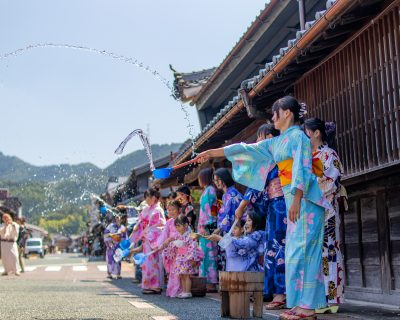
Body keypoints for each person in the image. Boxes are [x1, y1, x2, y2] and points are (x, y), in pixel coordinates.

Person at [195, 96, 332, 320]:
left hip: (305, 199)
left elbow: (303, 169)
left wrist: (296, 198)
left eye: (275, 112)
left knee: (305, 251)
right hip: (292, 199)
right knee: (293, 252)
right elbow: (247, 149)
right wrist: (213, 153)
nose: (272, 117)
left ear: (287, 113)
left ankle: (308, 307)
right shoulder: (278, 141)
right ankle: (299, 304)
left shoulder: (299, 137)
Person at [235, 124, 288, 307]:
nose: (258, 142)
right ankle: (277, 293)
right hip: (276, 206)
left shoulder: (275, 158)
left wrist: (242, 206)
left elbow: (256, 184)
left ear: (271, 138)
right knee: (274, 247)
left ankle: (280, 294)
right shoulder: (271, 159)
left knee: (279, 247)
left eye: (261, 137)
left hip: (283, 205)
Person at [304, 118, 345, 313]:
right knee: (314, 254)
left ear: (316, 133)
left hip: (326, 210)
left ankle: (333, 299)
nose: (306, 136)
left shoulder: (330, 155)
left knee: (329, 251)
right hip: (310, 212)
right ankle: (319, 297)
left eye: (307, 132)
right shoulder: (308, 156)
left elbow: (330, 182)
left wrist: (310, 189)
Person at [131, 186, 166, 294]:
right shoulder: (147, 209)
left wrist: (148, 232)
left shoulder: (158, 210)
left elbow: (160, 226)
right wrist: (137, 226)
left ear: (154, 197)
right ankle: (147, 285)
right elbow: (141, 220)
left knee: (154, 263)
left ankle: (155, 286)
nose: (146, 200)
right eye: (146, 198)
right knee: (147, 263)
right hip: (147, 239)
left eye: (148, 197)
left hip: (154, 240)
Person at [197, 168, 219, 291]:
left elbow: (208, 210)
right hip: (206, 226)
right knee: (206, 254)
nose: (199, 181)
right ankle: (208, 281)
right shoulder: (209, 190)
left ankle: (211, 282)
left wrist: (205, 225)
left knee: (208, 254)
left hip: (207, 227)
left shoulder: (209, 190)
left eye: (200, 178)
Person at [172, 215, 204, 299]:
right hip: (180, 257)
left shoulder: (191, 235)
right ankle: (183, 291)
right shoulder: (178, 235)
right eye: (176, 226)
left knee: (186, 276)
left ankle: (188, 291)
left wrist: (191, 258)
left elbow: (193, 247)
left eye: (179, 226)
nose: (177, 228)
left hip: (187, 258)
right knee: (182, 275)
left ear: (186, 225)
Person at [157, 200, 182, 297]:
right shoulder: (169, 222)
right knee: (172, 271)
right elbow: (164, 235)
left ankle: (179, 290)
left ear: (179, 210)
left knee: (178, 270)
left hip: (180, 249)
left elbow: (184, 233)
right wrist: (161, 244)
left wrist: (170, 239)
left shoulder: (181, 220)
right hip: (171, 249)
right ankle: (172, 291)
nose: (170, 212)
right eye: (169, 210)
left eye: (173, 210)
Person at [103, 213, 127, 279]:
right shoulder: (110, 226)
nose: (118, 219)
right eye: (116, 218)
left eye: (119, 218)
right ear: (115, 219)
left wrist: (122, 242)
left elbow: (125, 237)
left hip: (119, 246)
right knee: (110, 260)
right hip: (111, 245)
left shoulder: (122, 227)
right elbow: (106, 234)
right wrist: (110, 242)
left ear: (121, 219)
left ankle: (118, 274)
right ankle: (109, 274)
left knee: (118, 260)